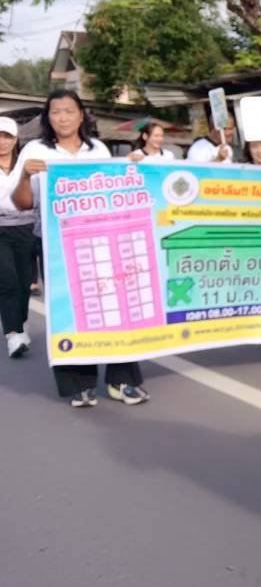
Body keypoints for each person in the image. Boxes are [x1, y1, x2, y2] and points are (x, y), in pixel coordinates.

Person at [10, 91, 150, 407]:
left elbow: (118, 190)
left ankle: (122, 379)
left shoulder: (97, 149)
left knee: (117, 307)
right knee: (69, 311)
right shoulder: (34, 150)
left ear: (81, 114)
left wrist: (133, 169)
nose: (63, 117)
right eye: (55, 112)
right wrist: (26, 175)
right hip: (56, 244)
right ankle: (79, 383)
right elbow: (22, 203)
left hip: (103, 241)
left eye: (69, 111)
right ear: (48, 118)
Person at [0, 116, 37, 358]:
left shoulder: (28, 165)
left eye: (7, 137)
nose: (2, 142)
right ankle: (13, 334)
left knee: (24, 283)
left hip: (26, 228)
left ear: (16, 140)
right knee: (8, 281)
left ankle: (20, 324)